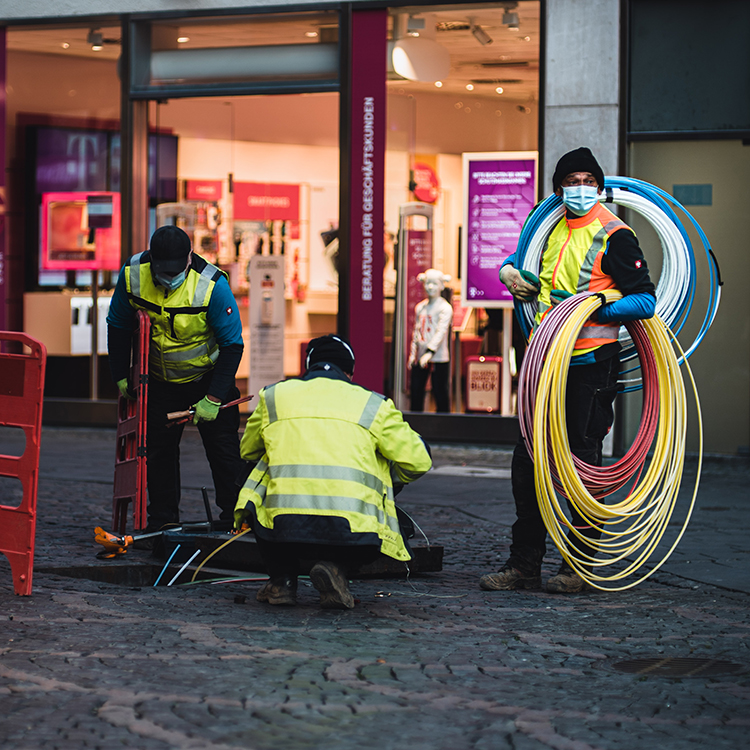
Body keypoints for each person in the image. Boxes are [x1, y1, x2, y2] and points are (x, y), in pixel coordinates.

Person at [480, 147, 656, 594]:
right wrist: (510, 274)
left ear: (599, 186)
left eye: (587, 180)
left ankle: (576, 565)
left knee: (580, 463)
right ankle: (524, 565)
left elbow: (646, 301)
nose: (579, 188)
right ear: (558, 188)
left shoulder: (615, 236)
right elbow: (537, 280)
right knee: (529, 465)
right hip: (545, 361)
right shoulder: (548, 230)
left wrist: (600, 303)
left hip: (591, 365)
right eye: (571, 181)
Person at [234, 334, 432, 609]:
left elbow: (248, 451)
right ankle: (336, 567)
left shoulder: (274, 396)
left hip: (282, 530)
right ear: (349, 372)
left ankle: (282, 580)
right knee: (381, 461)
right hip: (353, 533)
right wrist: (383, 476)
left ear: (308, 366)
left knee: (258, 468)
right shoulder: (374, 404)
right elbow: (419, 461)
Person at [107, 225, 246, 533]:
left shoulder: (212, 285)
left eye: (176, 269)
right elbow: (117, 324)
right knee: (158, 454)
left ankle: (234, 519)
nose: (168, 277)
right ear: (151, 260)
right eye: (162, 269)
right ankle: (163, 521)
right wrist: (119, 374)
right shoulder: (133, 274)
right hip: (160, 382)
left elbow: (232, 346)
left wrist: (213, 398)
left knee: (223, 452)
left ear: (189, 258)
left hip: (207, 378)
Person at [408, 268, 453, 412]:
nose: (430, 287)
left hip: (438, 358)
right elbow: (416, 331)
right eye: (428, 283)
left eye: (434, 283)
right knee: (416, 391)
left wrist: (430, 352)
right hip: (420, 356)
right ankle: (416, 422)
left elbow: (441, 332)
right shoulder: (420, 307)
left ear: (441, 285)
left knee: (440, 391)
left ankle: (444, 424)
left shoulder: (445, 308)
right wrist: (413, 353)